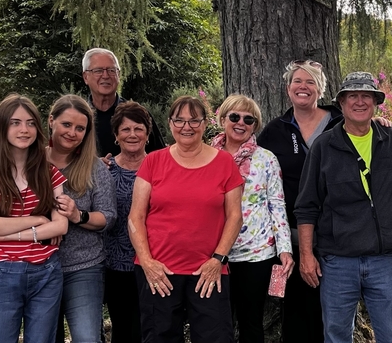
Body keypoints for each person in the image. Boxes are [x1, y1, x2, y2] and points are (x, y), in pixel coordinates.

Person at [296, 71, 392, 343]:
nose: (360, 102)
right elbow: (306, 206)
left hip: (383, 260)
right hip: (337, 262)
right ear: (342, 103)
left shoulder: (391, 138)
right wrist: (306, 256)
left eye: (366, 96)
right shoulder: (323, 147)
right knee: (336, 336)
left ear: (375, 103)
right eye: (353, 96)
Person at [129, 95, 243, 343]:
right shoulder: (153, 161)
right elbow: (135, 217)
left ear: (205, 124)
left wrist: (218, 259)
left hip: (208, 271)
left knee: (216, 338)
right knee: (160, 338)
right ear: (170, 124)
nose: (186, 127)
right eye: (179, 120)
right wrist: (147, 263)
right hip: (159, 272)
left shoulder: (225, 163)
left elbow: (235, 216)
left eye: (194, 120)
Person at [0, 94, 70, 343]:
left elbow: (62, 225)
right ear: (2, 127)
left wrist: (10, 234)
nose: (24, 129)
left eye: (30, 123)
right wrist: (38, 220)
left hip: (46, 271)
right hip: (2, 273)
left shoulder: (49, 173)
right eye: (15, 123)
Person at [257, 59, 341, 342]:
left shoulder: (340, 123)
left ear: (320, 89)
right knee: (289, 306)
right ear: (287, 88)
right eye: (297, 81)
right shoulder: (274, 131)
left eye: (310, 82)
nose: (303, 87)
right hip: (287, 239)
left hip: (333, 234)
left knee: (330, 309)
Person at [211, 94, 294, 343]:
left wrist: (285, 249)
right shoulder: (206, 157)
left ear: (255, 126)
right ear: (222, 119)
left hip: (256, 254)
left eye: (249, 119)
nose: (241, 123)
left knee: (251, 321)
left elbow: (277, 205)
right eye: (234, 117)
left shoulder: (266, 159)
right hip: (213, 252)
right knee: (216, 320)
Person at [46, 95, 117, 343]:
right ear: (51, 121)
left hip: (83, 267)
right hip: (38, 266)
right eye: (67, 124)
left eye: (80, 128)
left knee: (87, 338)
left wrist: (78, 215)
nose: (72, 133)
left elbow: (108, 217)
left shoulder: (94, 168)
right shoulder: (30, 163)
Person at [105, 101, 154, 342]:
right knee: (123, 328)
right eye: (125, 129)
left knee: (149, 327)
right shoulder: (104, 170)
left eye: (138, 128)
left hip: (154, 262)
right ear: (116, 135)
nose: (132, 134)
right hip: (116, 263)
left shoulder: (162, 166)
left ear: (148, 132)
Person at [82, 48, 166, 157]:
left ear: (119, 75)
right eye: (98, 71)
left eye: (111, 70)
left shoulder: (136, 114)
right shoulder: (79, 116)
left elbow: (160, 157)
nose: (106, 76)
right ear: (85, 77)